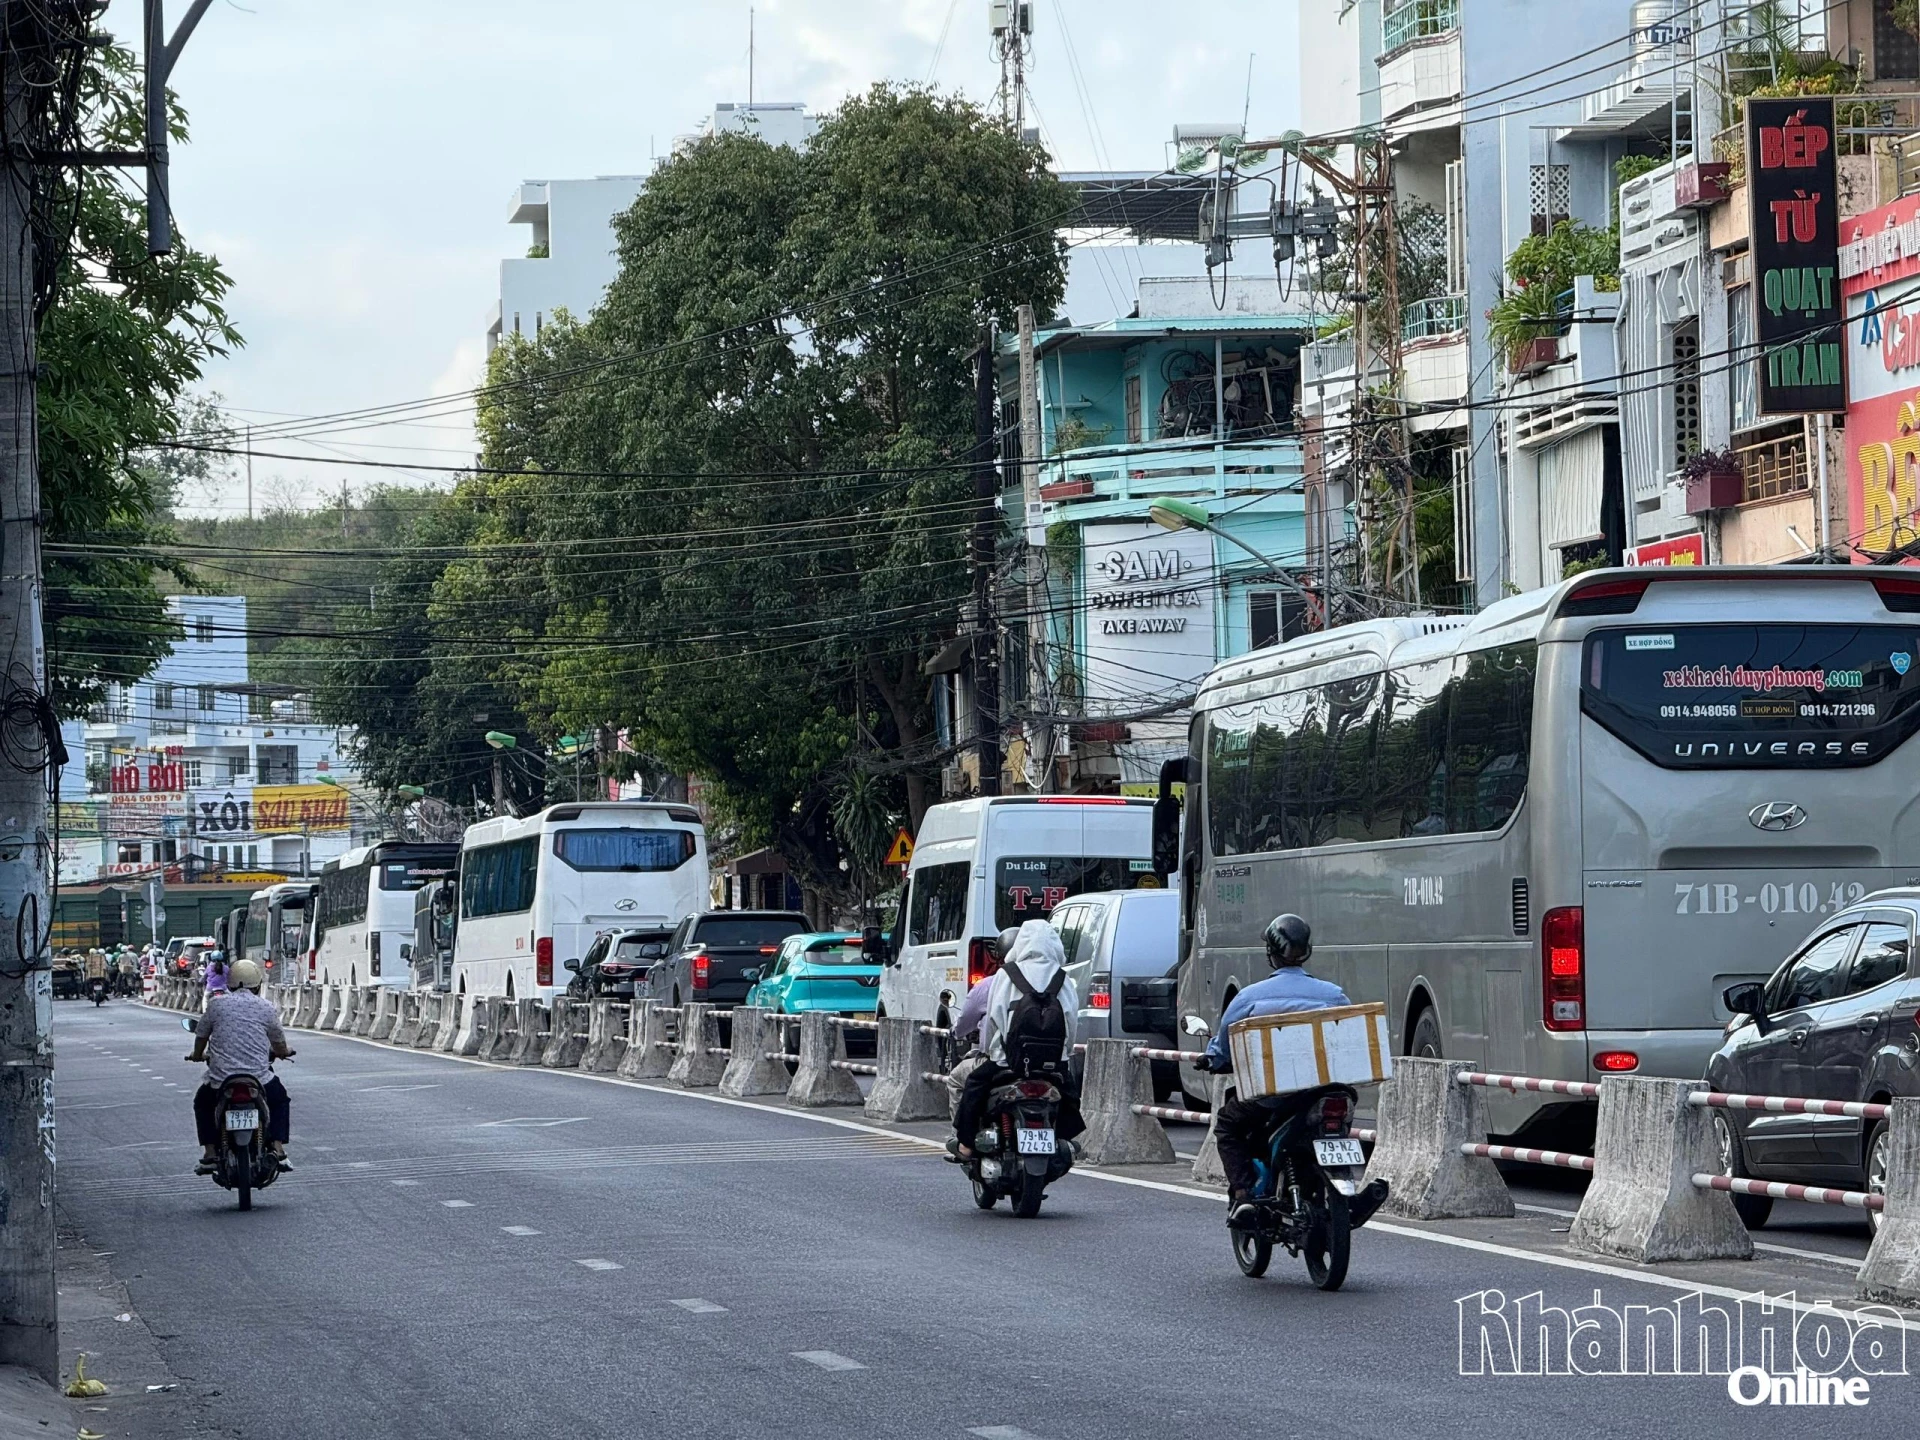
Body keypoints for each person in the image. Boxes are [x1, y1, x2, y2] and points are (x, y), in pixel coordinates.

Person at [1196, 913, 1388, 1227]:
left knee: (1228, 1125)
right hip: (1328, 1092)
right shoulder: (1334, 995)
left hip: (1275, 1098)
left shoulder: (1249, 997)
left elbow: (1223, 1045)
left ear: (1271, 954)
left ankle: (1243, 1195)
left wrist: (1212, 1059)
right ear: (1307, 951)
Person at [949, 920, 1084, 1159]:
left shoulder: (1007, 974)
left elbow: (993, 1017)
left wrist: (992, 1053)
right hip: (1052, 1065)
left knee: (973, 1087)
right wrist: (1064, 1054)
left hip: (1007, 1062)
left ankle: (967, 1144)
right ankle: (1064, 1142)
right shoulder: (1063, 978)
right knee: (1071, 1098)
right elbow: (1071, 1021)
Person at [186, 958, 294, 1174]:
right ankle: (278, 1148)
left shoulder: (216, 1005)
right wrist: (283, 1053)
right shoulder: (266, 1007)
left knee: (202, 1103)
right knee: (280, 1100)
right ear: (258, 984)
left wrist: (197, 1055)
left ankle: (210, 1153)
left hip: (221, 1080)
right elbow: (279, 1043)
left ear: (230, 982)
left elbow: (201, 1035)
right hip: (259, 1078)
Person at [944, 927, 1020, 1121]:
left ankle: (961, 1138)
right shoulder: (1054, 982)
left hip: (998, 1062)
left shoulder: (989, 985)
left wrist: (956, 1032)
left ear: (1000, 957)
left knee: (956, 1079)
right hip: (1046, 1066)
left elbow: (963, 1026)